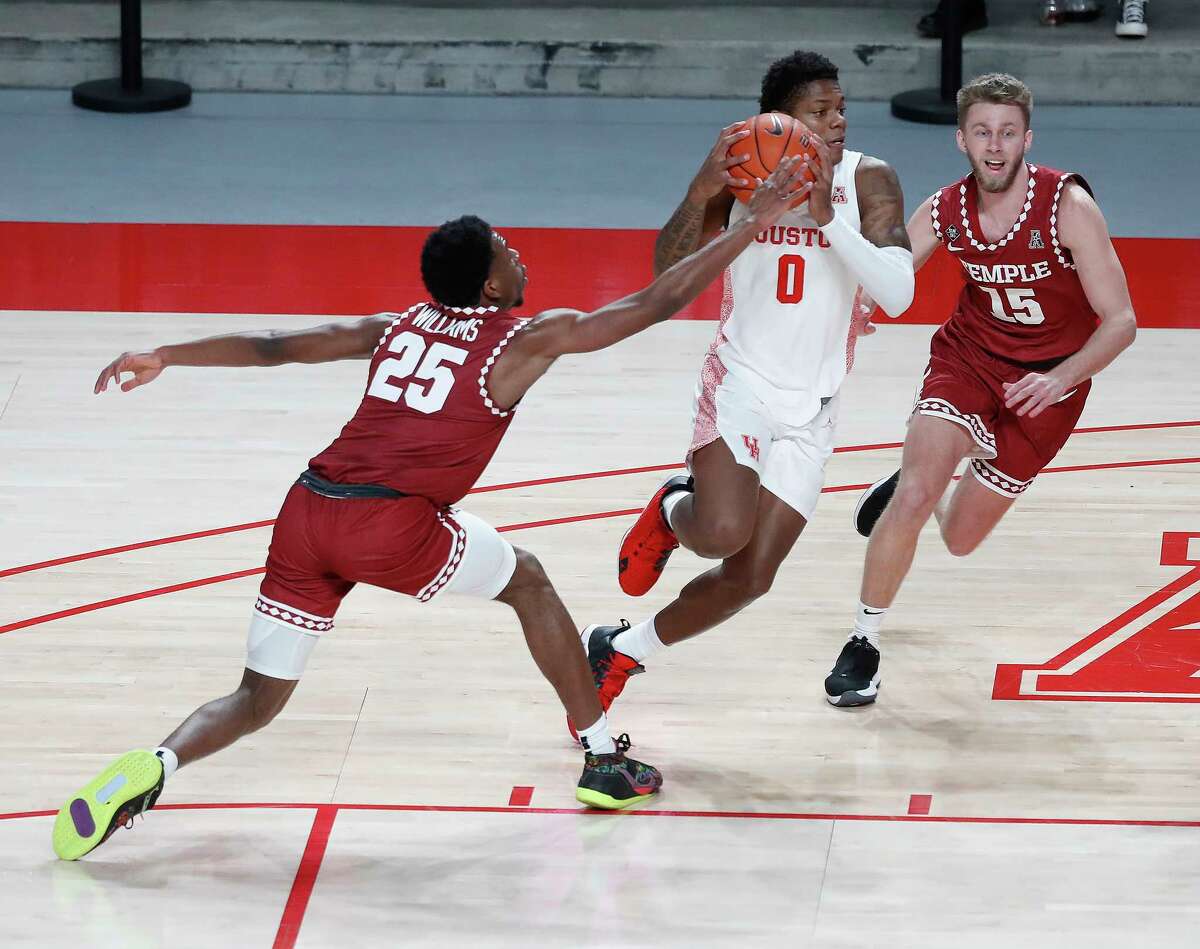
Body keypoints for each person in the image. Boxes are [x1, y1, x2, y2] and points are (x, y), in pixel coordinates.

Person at [50, 159, 812, 861]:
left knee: (257, 696)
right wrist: (752, 222)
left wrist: (168, 354)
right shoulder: (524, 340)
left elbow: (276, 345)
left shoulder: (397, 326)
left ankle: (156, 763)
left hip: (308, 510)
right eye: (508, 250)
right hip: (390, 524)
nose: (520, 255)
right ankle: (604, 758)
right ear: (489, 285)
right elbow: (655, 301)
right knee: (530, 581)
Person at [576, 51, 914, 728]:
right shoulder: (739, 175)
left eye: (841, 107)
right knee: (721, 533)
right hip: (741, 384)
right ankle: (678, 507)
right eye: (820, 111)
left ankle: (620, 649)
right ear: (778, 122)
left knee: (752, 577)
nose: (838, 120)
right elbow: (664, 280)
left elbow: (899, 294)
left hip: (813, 406)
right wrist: (702, 192)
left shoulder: (867, 178)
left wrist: (828, 220)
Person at [823, 73, 1137, 707]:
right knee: (915, 495)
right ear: (960, 138)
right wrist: (856, 308)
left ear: (1028, 137)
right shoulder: (944, 209)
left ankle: (927, 476)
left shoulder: (1068, 207)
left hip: (1048, 384)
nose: (995, 146)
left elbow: (1123, 321)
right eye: (982, 133)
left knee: (959, 538)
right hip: (969, 360)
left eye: (1008, 132)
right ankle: (863, 640)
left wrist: (1059, 380)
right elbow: (889, 276)